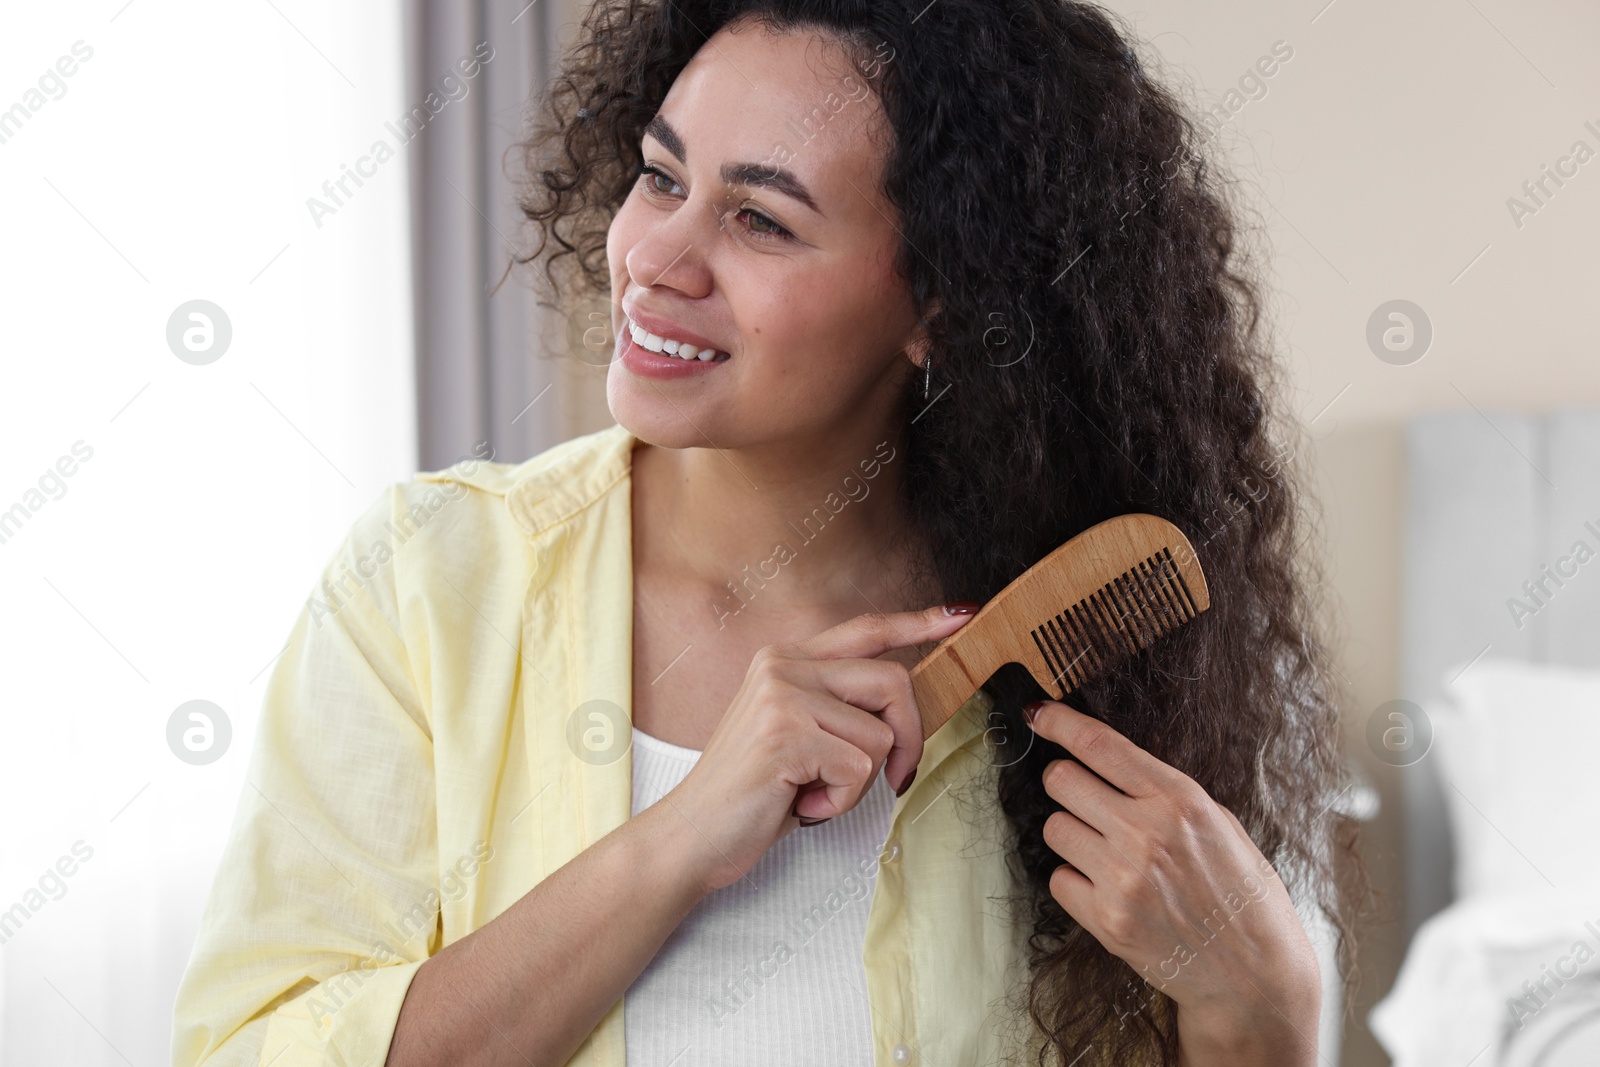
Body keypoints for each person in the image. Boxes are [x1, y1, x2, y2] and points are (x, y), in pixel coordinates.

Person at [171, 2, 1362, 1065]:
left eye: (760, 219)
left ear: (944, 306)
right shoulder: (432, 582)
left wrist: (1266, 1008)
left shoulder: (1117, 673)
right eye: (658, 177)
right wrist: (679, 837)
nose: (655, 260)